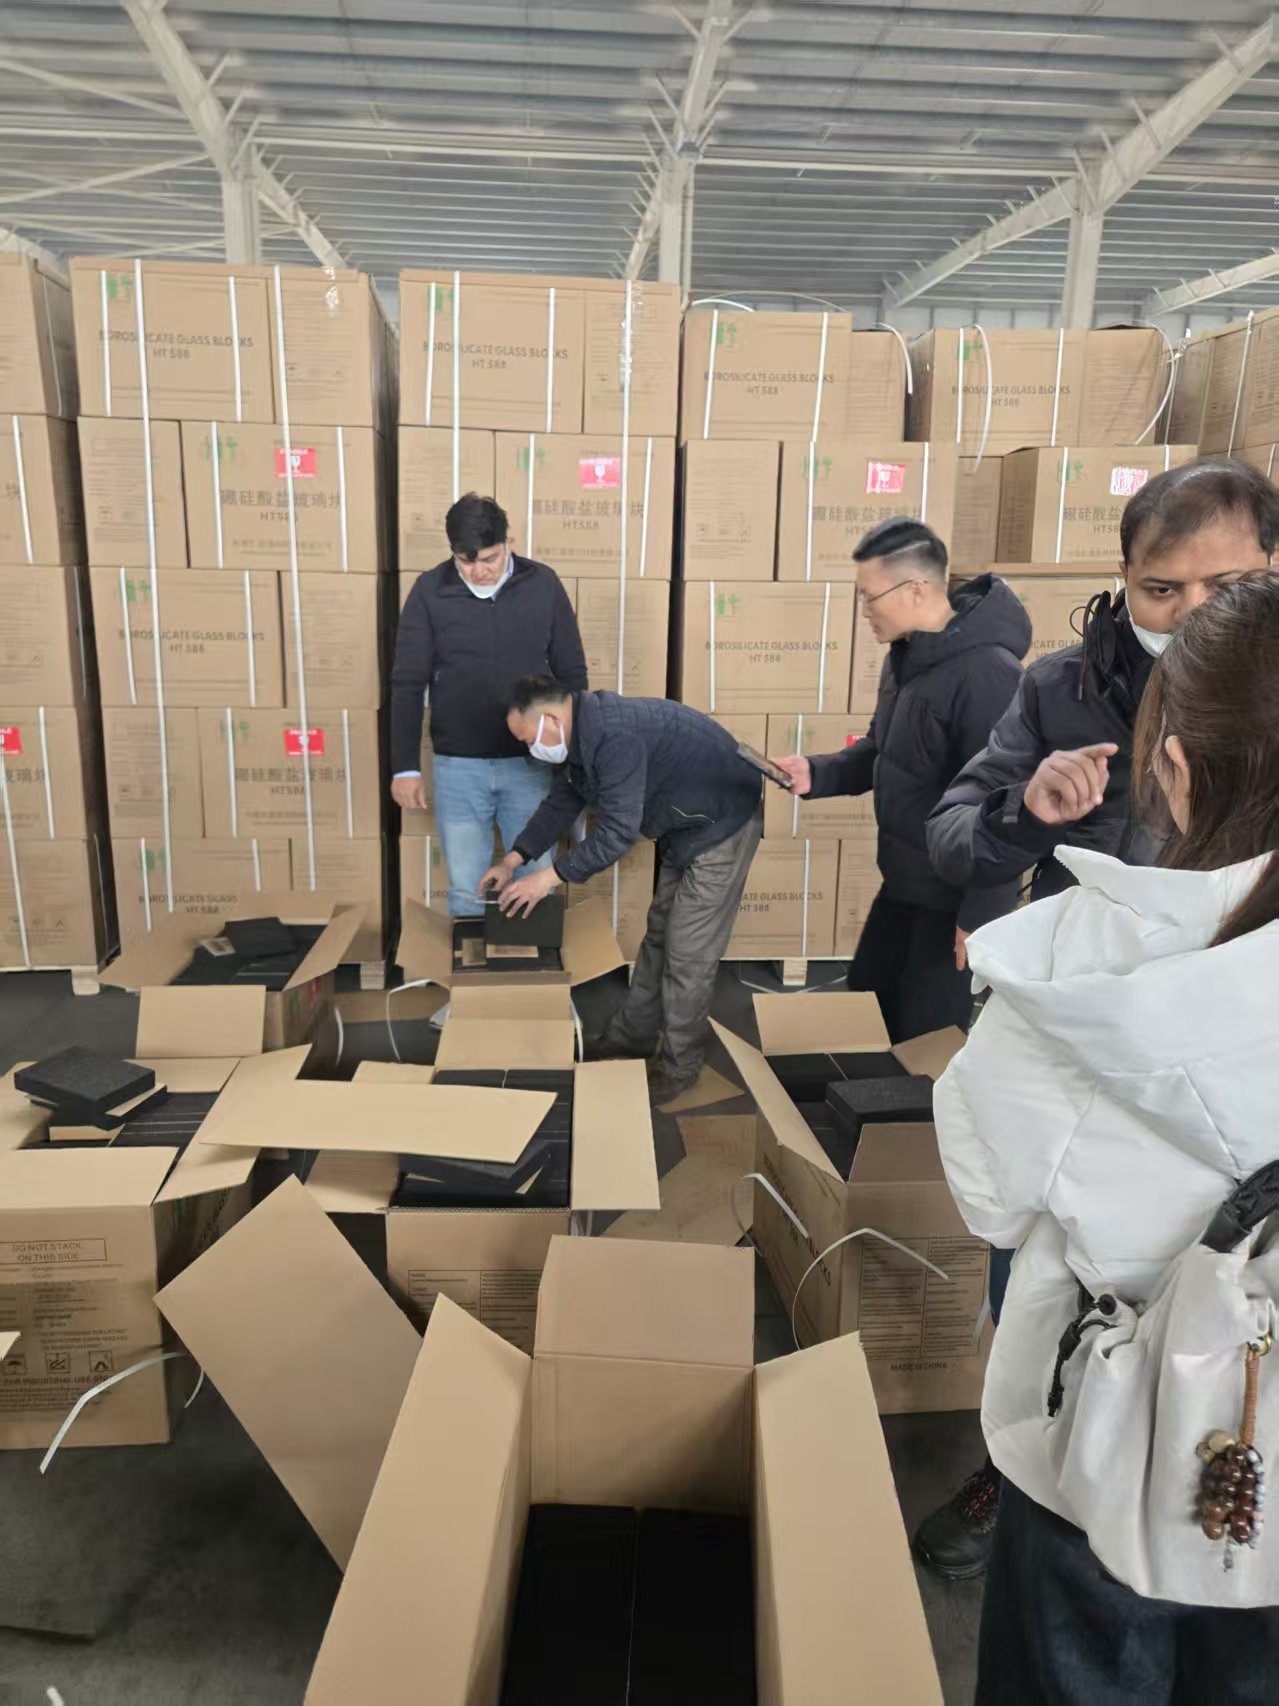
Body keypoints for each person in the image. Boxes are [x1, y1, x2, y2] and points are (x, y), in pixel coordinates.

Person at [915, 455, 1279, 1582]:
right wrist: (1023, 814)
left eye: (1227, 586)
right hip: (1094, 1053)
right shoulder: (1059, 689)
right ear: (1123, 583)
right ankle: (1033, 1445)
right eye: (1160, 590)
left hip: (1226, 1060)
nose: (1190, 615)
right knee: (1048, 1279)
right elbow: (953, 831)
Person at [772, 516, 1029, 1044]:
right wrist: (815, 773)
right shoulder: (906, 660)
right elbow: (883, 751)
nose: (865, 611)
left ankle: (912, 1103)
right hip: (905, 880)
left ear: (915, 589)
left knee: (922, 1040)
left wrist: (982, 916)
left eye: (870, 598)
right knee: (865, 1002)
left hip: (953, 900)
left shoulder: (987, 674)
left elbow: (1005, 807)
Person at [480, 677, 763, 1103]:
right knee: (660, 935)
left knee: (688, 952)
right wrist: (514, 859)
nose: (530, 750)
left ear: (552, 720)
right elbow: (562, 802)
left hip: (723, 823)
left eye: (528, 740)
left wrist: (548, 878)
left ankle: (680, 1066)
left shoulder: (615, 739)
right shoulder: (580, 738)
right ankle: (633, 1037)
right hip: (686, 823)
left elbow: (616, 834)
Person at [390, 491, 587, 930]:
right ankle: (474, 969)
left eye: (490, 558)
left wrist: (574, 755)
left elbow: (572, 673)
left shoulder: (542, 585)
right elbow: (407, 683)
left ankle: (532, 967)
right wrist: (404, 767)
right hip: (458, 766)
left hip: (531, 763)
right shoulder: (430, 591)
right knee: (466, 886)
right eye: (466, 560)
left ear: (508, 542)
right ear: (453, 553)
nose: (479, 570)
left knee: (535, 877)